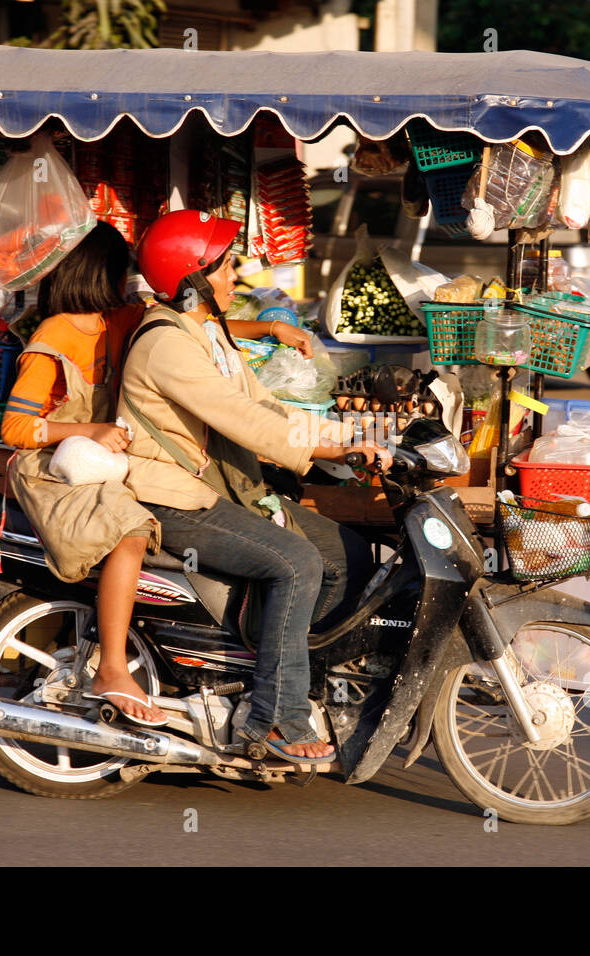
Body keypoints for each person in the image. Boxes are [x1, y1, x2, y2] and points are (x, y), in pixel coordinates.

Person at [0, 221, 315, 728]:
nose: (135, 281)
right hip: (55, 464)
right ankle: (110, 667)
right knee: (129, 532)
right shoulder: (54, 335)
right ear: (99, 273)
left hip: (104, 456)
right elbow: (15, 427)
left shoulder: (121, 319)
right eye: (125, 270)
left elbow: (193, 320)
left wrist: (272, 329)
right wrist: (90, 427)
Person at [120, 209, 390, 764]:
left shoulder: (207, 334)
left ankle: (270, 666)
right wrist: (340, 446)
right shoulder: (165, 344)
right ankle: (273, 717)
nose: (232, 279)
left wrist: (356, 433)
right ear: (192, 278)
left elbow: (263, 406)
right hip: (172, 495)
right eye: (223, 268)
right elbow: (245, 423)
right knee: (295, 562)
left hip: (223, 484)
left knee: (351, 555)